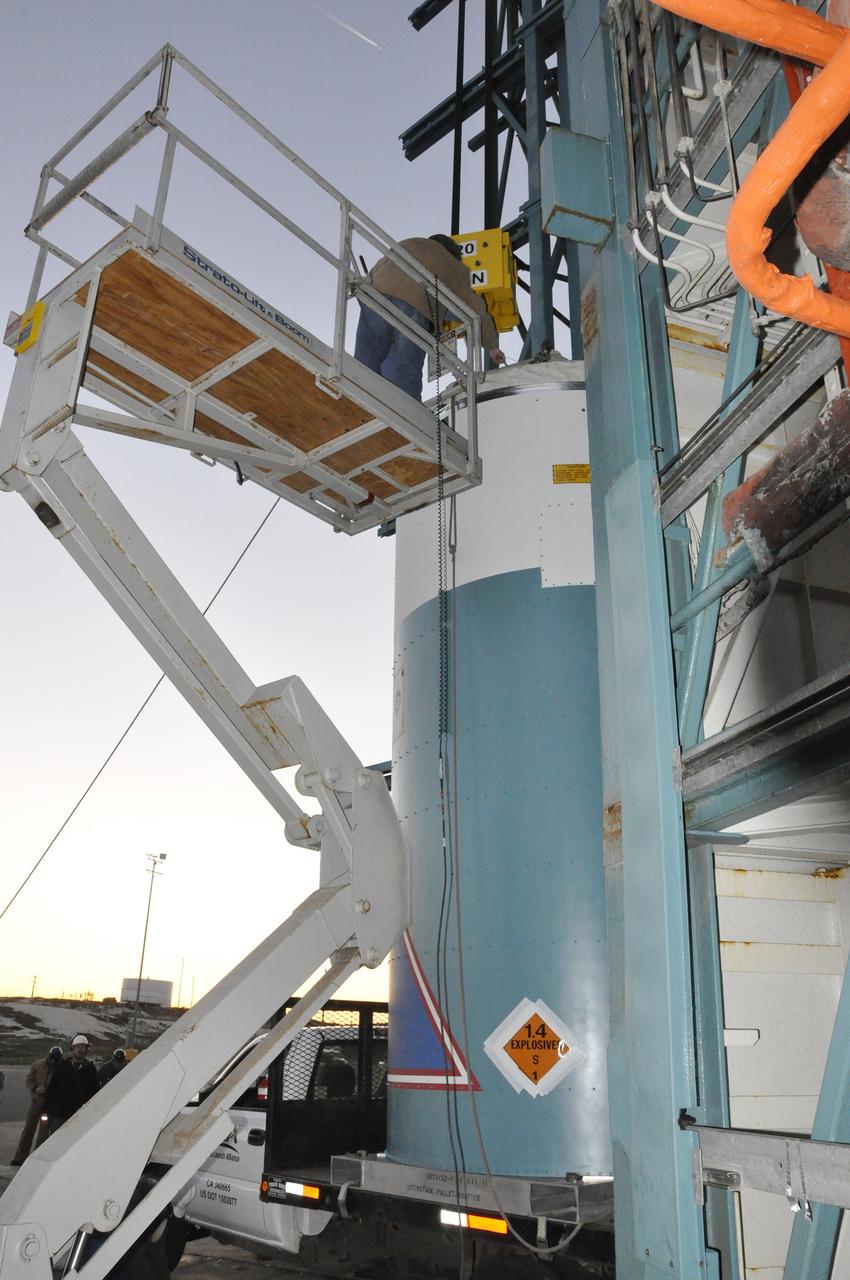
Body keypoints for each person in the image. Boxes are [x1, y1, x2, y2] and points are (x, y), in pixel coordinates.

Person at [354, 234, 507, 400]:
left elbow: (377, 269)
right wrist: (492, 346)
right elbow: (474, 310)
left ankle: (356, 393)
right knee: (405, 370)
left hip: (379, 294)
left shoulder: (409, 242)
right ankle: (408, 414)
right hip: (416, 307)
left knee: (367, 355)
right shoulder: (456, 267)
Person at [11, 1045, 63, 1165]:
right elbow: (29, 1080)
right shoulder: (38, 1065)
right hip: (36, 1102)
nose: (53, 1062)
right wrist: (35, 1088)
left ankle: (37, 1159)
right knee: (28, 1130)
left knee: (43, 1134)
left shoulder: (61, 1067)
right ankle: (20, 1157)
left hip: (49, 1105)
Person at [45, 1034, 98, 1134]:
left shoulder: (90, 1069)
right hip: (59, 1113)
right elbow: (52, 1089)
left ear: (86, 1049)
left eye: (83, 1047)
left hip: (80, 1115)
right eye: (77, 1047)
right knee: (56, 1142)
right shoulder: (63, 1066)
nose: (80, 1050)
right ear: (73, 1049)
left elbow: (95, 1092)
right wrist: (47, 1111)